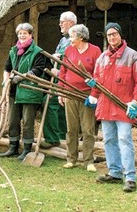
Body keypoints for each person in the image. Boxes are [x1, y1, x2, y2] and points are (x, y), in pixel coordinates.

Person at [87, 22, 137, 193]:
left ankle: (130, 177)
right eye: (109, 35)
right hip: (106, 106)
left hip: (124, 107)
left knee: (124, 140)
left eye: (115, 34)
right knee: (108, 140)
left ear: (120, 35)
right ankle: (114, 173)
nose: (112, 37)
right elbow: (97, 80)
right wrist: (93, 93)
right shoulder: (102, 58)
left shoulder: (133, 56)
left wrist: (135, 102)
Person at [0, 23, 47, 161]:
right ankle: (13, 147)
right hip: (14, 91)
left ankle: (27, 149)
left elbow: (37, 70)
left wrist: (20, 77)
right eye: (20, 33)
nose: (22, 35)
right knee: (13, 120)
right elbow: (7, 68)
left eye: (25, 33)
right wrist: (5, 82)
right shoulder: (13, 50)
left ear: (31, 35)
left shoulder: (38, 52)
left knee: (27, 121)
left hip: (29, 91)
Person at [58, 24, 101, 172]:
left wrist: (94, 94)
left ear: (81, 37)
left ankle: (88, 161)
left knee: (88, 129)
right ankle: (71, 159)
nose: (70, 40)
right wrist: (61, 92)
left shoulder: (95, 51)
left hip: (87, 95)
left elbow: (98, 74)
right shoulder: (68, 50)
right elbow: (62, 71)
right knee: (71, 129)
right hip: (70, 93)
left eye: (72, 36)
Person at [39, 11, 76, 149]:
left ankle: (52, 138)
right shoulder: (63, 40)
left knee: (49, 103)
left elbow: (75, 64)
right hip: (59, 79)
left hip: (67, 80)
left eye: (62, 21)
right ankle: (61, 137)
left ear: (71, 23)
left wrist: (59, 72)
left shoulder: (75, 39)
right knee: (60, 107)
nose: (60, 24)